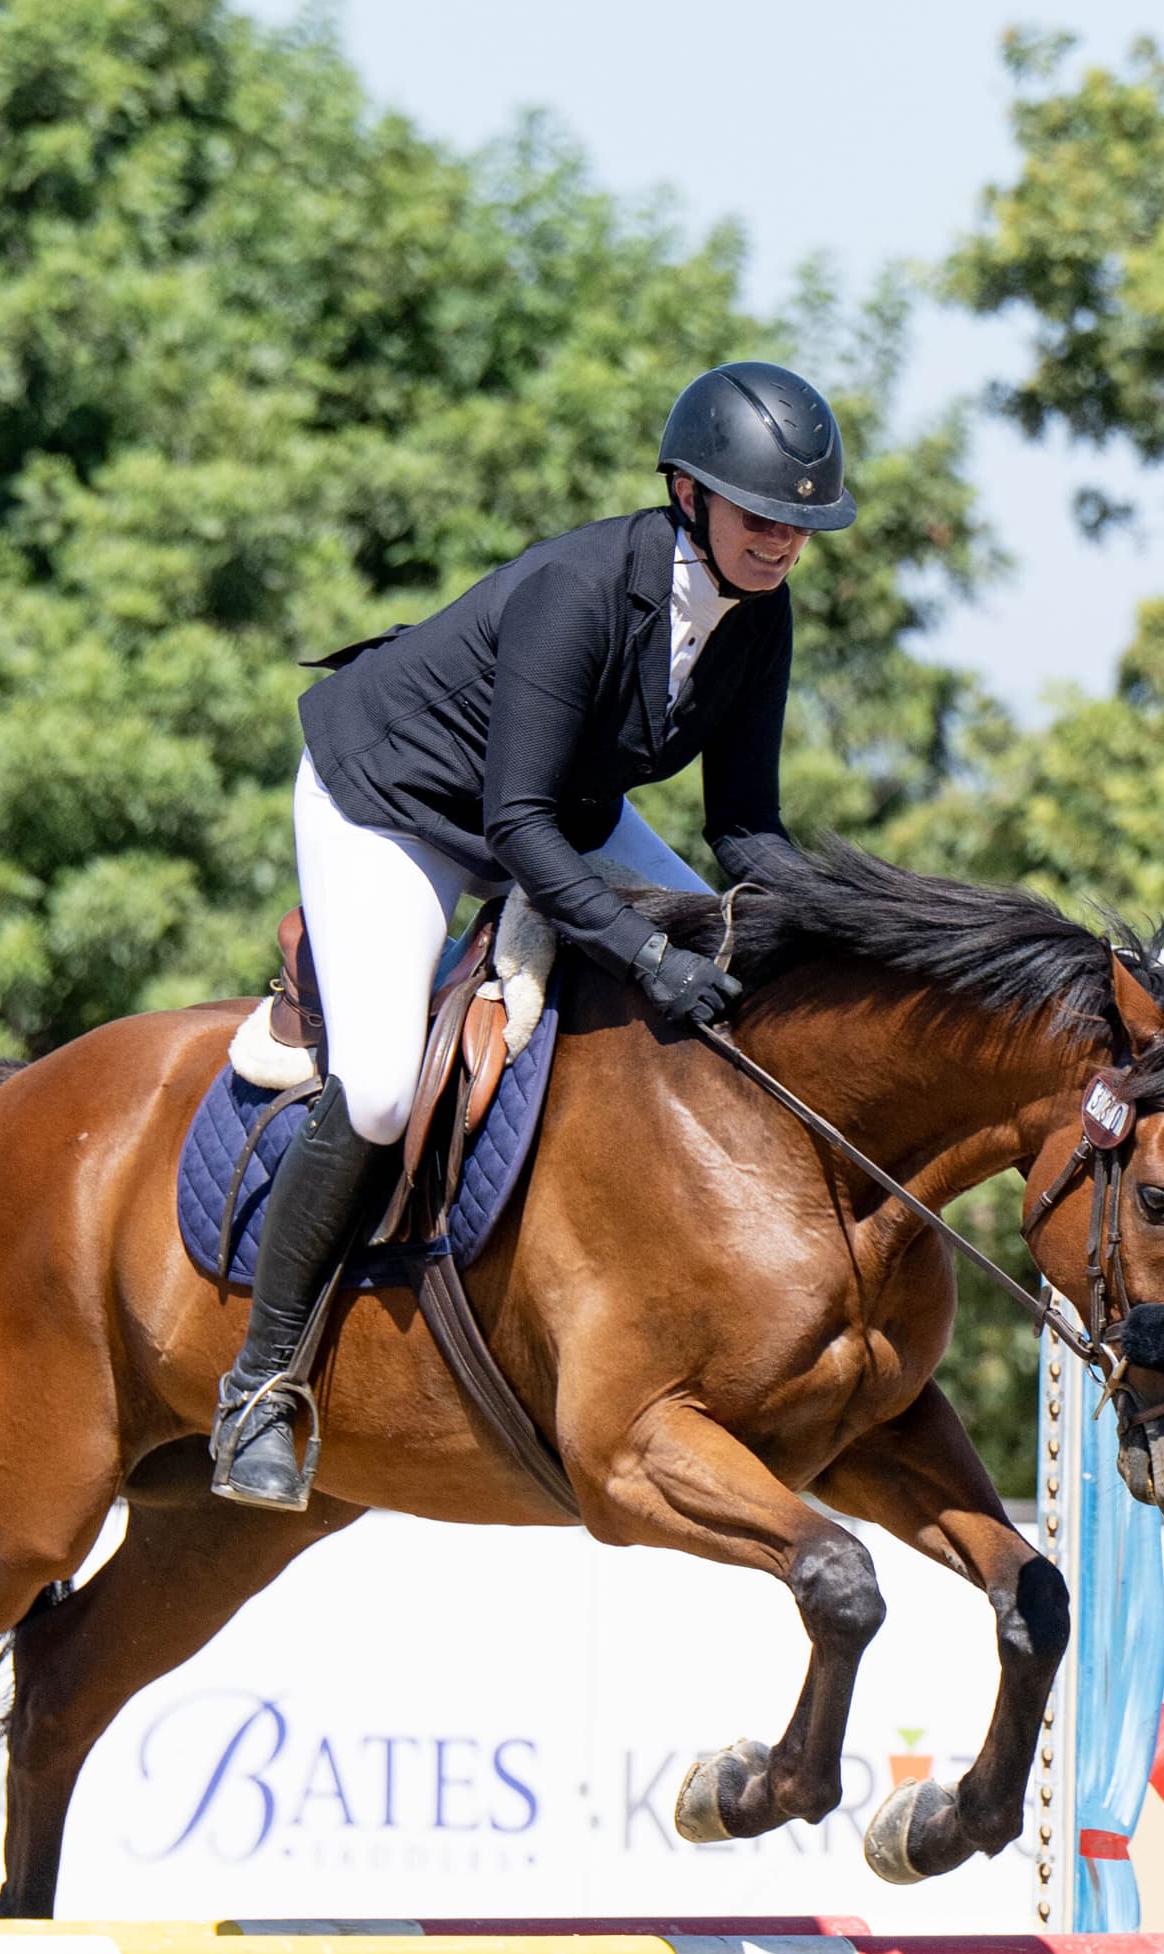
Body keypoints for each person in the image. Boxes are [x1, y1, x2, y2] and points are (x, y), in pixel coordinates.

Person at [209, 359, 857, 1509]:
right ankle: (260, 1387)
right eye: (762, 516)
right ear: (689, 494)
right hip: (398, 804)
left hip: (558, 812)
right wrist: (644, 952)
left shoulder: (759, 612)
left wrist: (836, 929)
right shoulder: (580, 589)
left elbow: (745, 826)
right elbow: (510, 824)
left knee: (736, 965)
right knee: (375, 1093)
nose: (782, 543)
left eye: (802, 527)